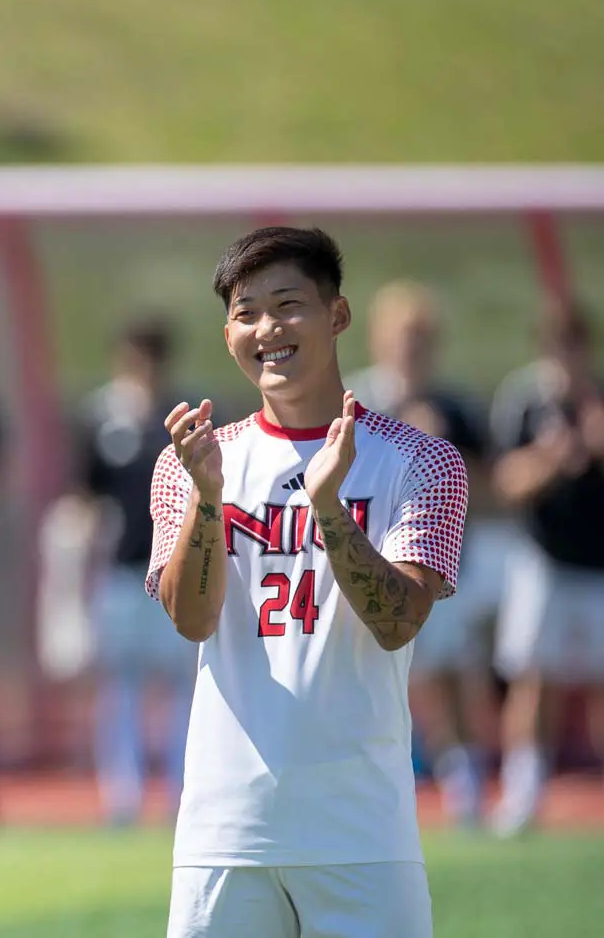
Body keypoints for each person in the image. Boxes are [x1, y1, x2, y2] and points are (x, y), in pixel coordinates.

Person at [150, 227, 467, 938]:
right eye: (246, 311)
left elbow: (398, 620)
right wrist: (208, 499)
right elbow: (191, 619)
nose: (267, 328)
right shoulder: (191, 460)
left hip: (361, 831)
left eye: (287, 303)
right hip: (224, 830)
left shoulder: (421, 461)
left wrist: (328, 507)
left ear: (338, 315)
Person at [345, 279, 504, 828]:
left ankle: (465, 782)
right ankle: (361, 785)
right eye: (401, 336)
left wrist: (444, 452)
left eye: (420, 338)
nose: (410, 348)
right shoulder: (354, 402)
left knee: (452, 672)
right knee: (362, 672)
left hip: (434, 564)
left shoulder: (455, 408)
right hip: (363, 560)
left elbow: (490, 488)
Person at [71, 318, 197, 827]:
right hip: (123, 571)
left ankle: (180, 791)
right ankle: (123, 796)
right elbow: (84, 496)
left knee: (181, 683)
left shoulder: (187, 418)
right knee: (120, 683)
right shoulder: (102, 419)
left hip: (176, 569)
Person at [487, 305, 604, 837]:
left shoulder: (599, 400)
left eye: (575, 343)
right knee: (534, 677)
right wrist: (553, 459)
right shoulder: (526, 400)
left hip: (599, 562)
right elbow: (505, 482)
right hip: (544, 559)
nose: (567, 355)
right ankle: (523, 794)